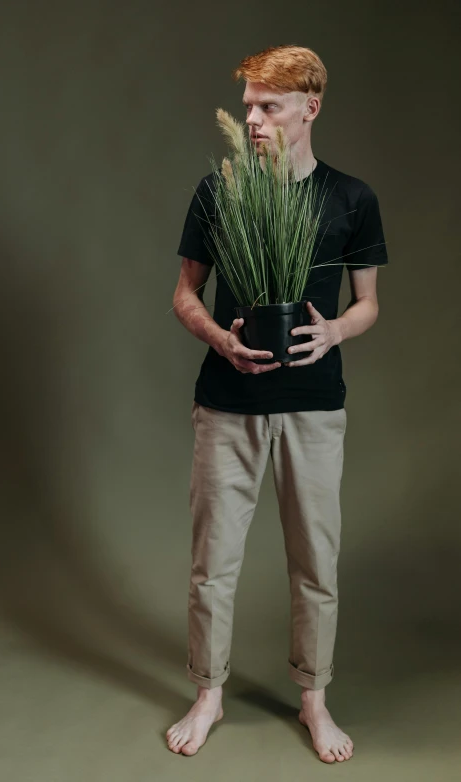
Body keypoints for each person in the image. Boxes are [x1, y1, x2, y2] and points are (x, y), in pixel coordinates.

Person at [166, 44, 388, 763]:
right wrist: (218, 338)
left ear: (309, 108)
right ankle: (208, 694)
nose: (254, 120)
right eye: (249, 106)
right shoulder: (219, 191)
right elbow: (184, 296)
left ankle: (314, 701)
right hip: (227, 404)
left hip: (315, 406)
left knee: (315, 564)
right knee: (212, 565)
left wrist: (332, 331)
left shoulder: (351, 198)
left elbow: (367, 307)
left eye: (270, 106)